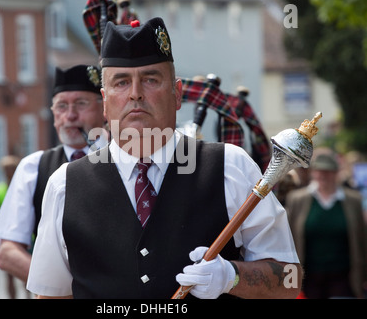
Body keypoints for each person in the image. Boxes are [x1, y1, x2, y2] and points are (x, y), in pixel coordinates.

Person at [27, 17, 302, 299]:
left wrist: (233, 277)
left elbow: (290, 282)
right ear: (105, 102)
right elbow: (51, 295)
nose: (135, 94)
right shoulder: (64, 185)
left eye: (150, 79)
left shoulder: (230, 167)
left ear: (178, 93)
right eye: (121, 82)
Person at [0, 65, 107, 285]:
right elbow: (8, 252)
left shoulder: (128, 158)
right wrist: (63, 289)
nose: (70, 115)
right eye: (61, 106)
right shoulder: (34, 167)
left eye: (81, 103)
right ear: (53, 114)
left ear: (104, 109)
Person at [286, 149, 367, 298]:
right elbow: (288, 239)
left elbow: (362, 239)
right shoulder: (297, 199)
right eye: (319, 171)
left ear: (336, 173)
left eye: (328, 171)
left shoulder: (353, 200)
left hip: (343, 277)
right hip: (308, 278)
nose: (323, 175)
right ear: (313, 173)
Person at [0, 155, 21, 298]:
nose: (8, 172)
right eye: (6, 169)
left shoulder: (24, 187)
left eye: (11, 169)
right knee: (9, 273)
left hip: (25, 235)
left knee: (29, 273)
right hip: (5, 236)